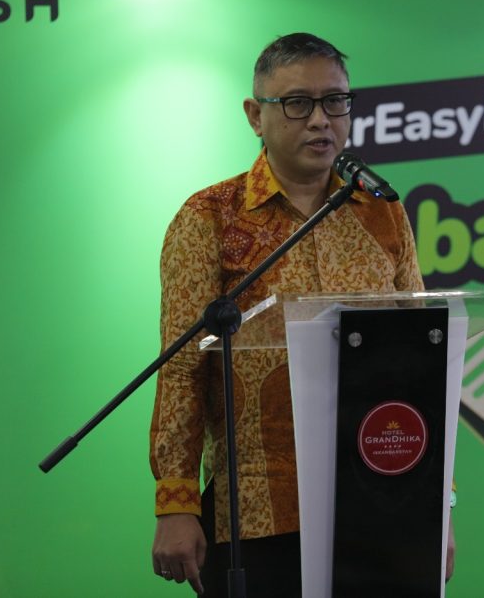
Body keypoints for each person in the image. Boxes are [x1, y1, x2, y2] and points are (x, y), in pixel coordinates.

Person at [149, 33, 454, 596]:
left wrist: (439, 500)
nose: (320, 120)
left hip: (379, 499)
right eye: (297, 103)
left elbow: (417, 365)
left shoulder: (384, 213)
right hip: (256, 508)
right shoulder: (209, 217)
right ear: (255, 116)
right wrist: (176, 502)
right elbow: (182, 369)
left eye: (335, 101)